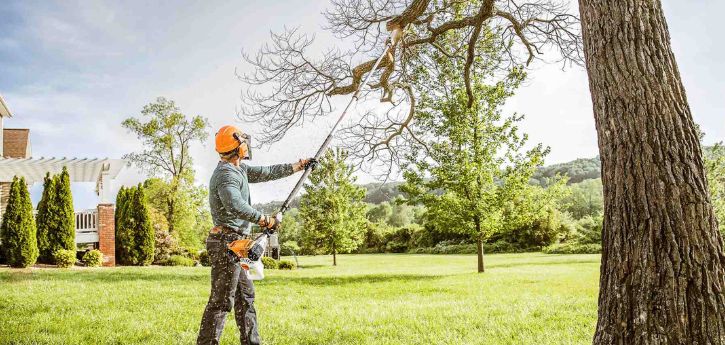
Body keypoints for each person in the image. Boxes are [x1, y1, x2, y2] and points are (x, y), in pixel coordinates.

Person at [197, 125, 314, 345]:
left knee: (246, 298)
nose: (247, 144)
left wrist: (299, 166)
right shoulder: (225, 174)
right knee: (221, 302)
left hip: (237, 243)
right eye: (243, 141)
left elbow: (267, 172)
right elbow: (235, 205)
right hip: (225, 243)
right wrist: (264, 219)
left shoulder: (239, 169)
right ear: (237, 147)